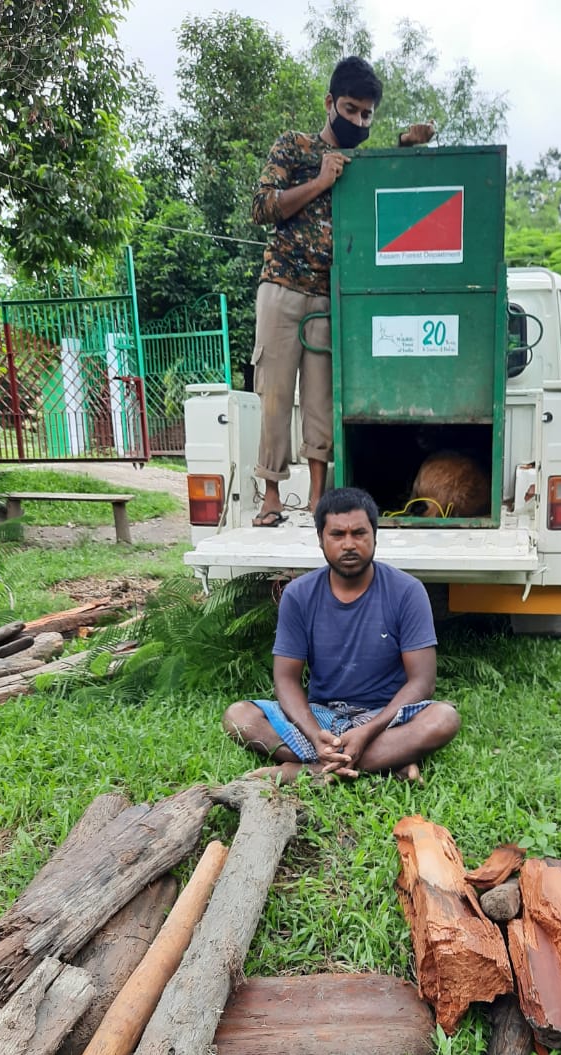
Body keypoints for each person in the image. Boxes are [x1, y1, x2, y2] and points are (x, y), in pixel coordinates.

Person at [249, 57, 434, 527]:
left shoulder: (363, 163)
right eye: (350, 110)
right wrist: (320, 181)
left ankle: (316, 499)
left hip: (334, 297)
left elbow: (398, 191)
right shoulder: (294, 147)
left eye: (366, 115)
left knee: (321, 399)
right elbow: (263, 207)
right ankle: (270, 496)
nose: (357, 121)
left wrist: (407, 148)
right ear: (330, 103)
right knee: (273, 392)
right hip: (282, 288)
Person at [223, 486, 461, 782]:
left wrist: (367, 731)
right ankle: (388, 762)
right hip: (321, 715)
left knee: (443, 719)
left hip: (384, 716)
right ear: (321, 540)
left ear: (374, 536)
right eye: (337, 535)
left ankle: (308, 771)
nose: (349, 544)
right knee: (239, 716)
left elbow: (422, 682)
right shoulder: (299, 595)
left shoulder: (407, 591)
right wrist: (314, 733)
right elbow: (285, 678)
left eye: (359, 533)